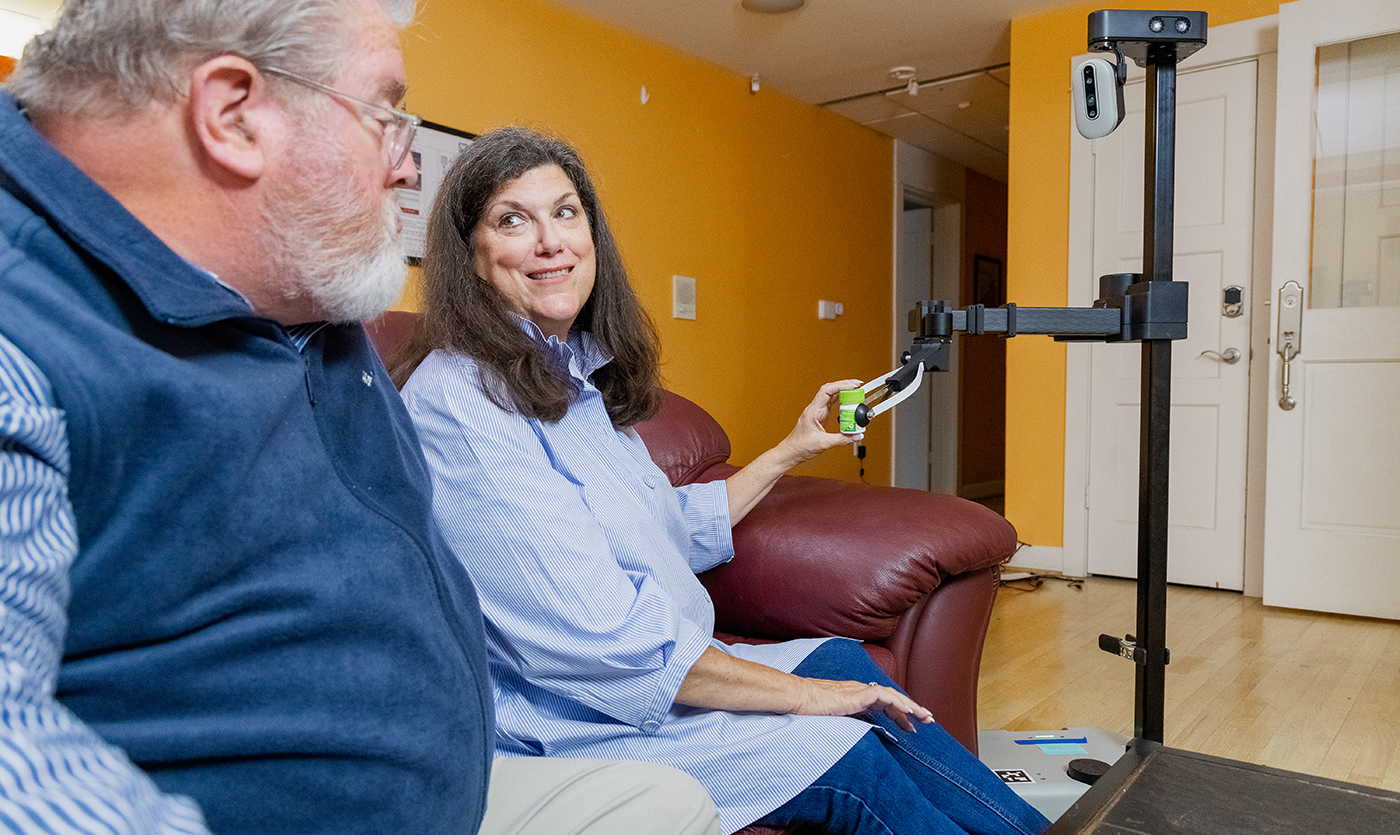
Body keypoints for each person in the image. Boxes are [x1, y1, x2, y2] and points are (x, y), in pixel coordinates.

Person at [0, 2, 720, 834]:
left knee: (673, 805)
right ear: (232, 115)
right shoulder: (26, 328)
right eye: (385, 115)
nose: (410, 168)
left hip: (461, 782)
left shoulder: (294, 274)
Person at [393, 126, 1052, 835]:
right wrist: (803, 698)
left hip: (663, 677)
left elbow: (666, 523)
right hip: (582, 716)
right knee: (841, 743)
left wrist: (792, 448)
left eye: (565, 211)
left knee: (837, 658)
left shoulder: (573, 373)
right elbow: (603, 644)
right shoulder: (461, 402)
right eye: (512, 219)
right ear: (472, 255)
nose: (551, 240)